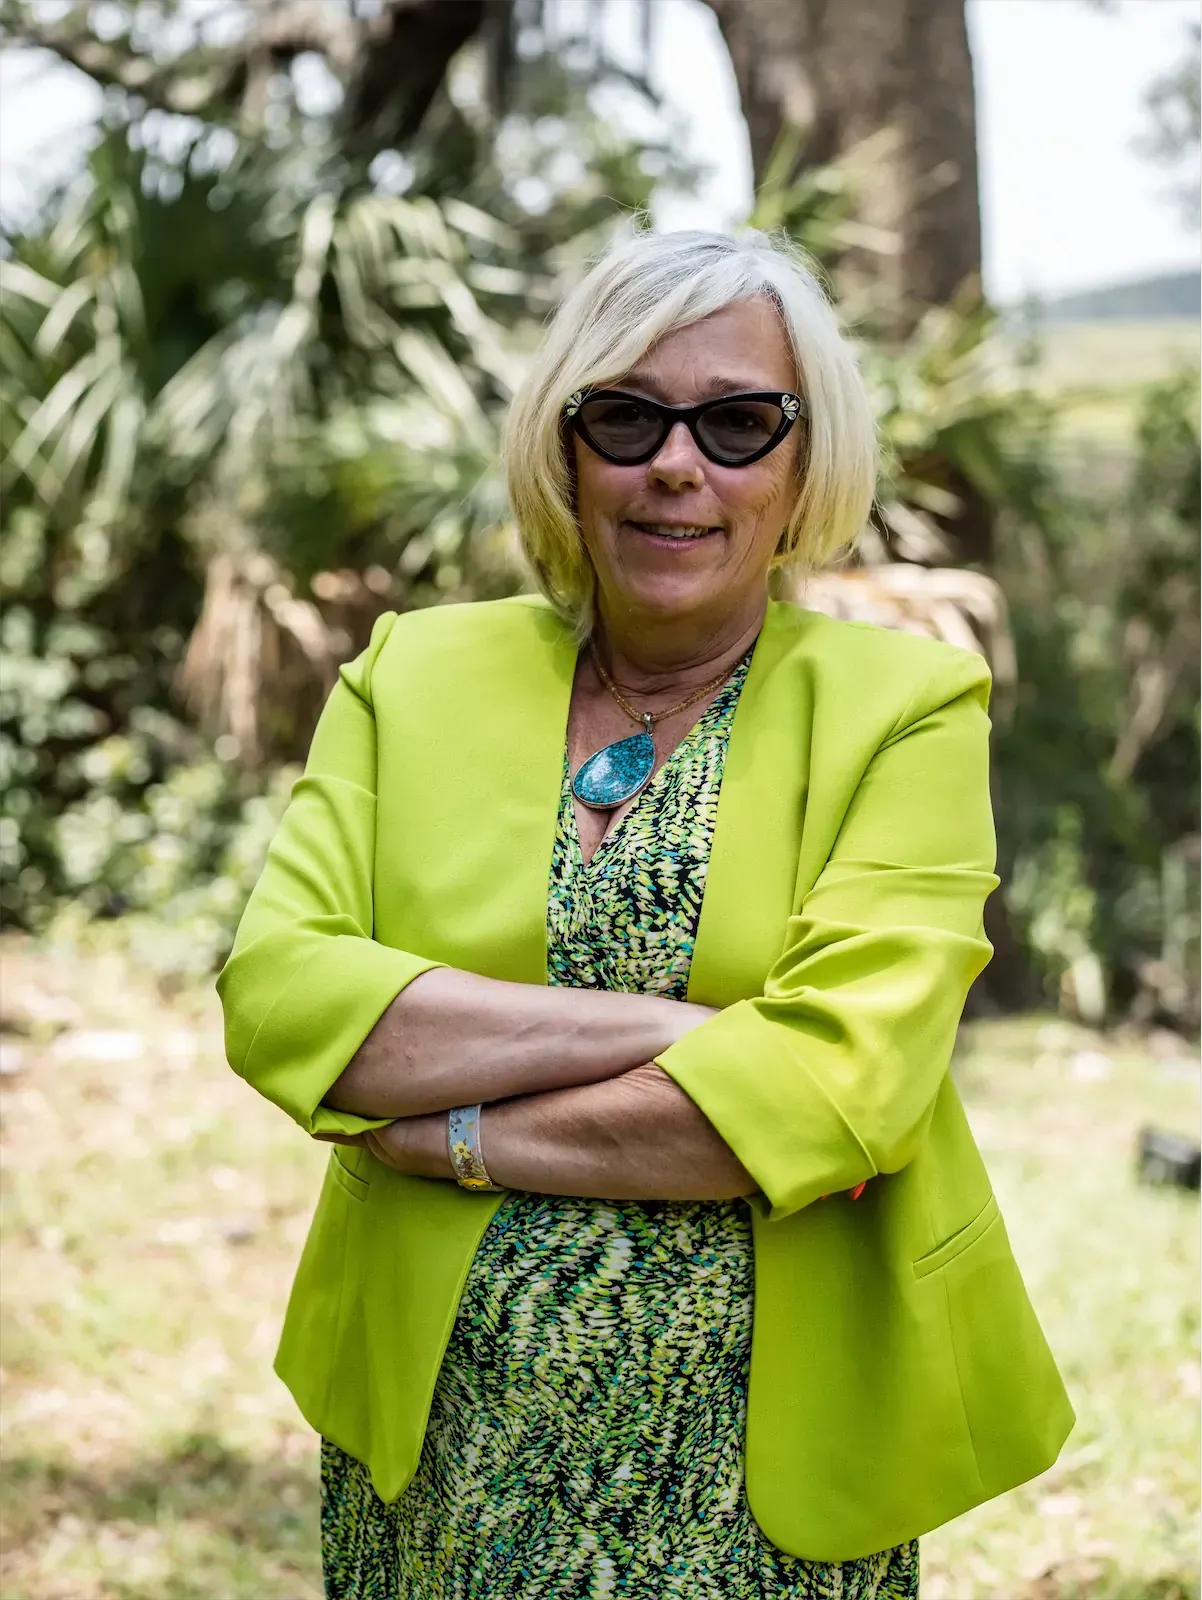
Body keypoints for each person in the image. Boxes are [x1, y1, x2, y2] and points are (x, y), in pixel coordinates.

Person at [218, 229, 1073, 1600]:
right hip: (437, 1444)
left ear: (803, 465)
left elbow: (835, 1092)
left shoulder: (903, 710)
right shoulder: (411, 676)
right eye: (626, 416)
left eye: (739, 422)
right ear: (567, 453)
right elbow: (281, 998)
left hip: (759, 1479)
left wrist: (454, 1138)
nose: (679, 463)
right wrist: (675, 1030)